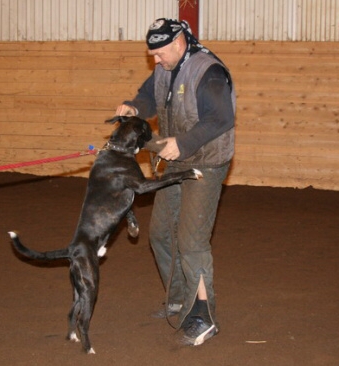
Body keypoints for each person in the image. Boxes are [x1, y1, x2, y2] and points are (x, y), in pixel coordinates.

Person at [115, 18, 235, 346]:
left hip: (205, 163)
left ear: (179, 42)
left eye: (159, 53)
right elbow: (149, 98)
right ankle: (180, 299)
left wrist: (182, 143)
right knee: (160, 233)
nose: (155, 60)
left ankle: (203, 315)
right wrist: (134, 107)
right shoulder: (165, 69)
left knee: (191, 241)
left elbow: (221, 118)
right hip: (174, 161)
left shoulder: (208, 71)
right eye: (152, 54)